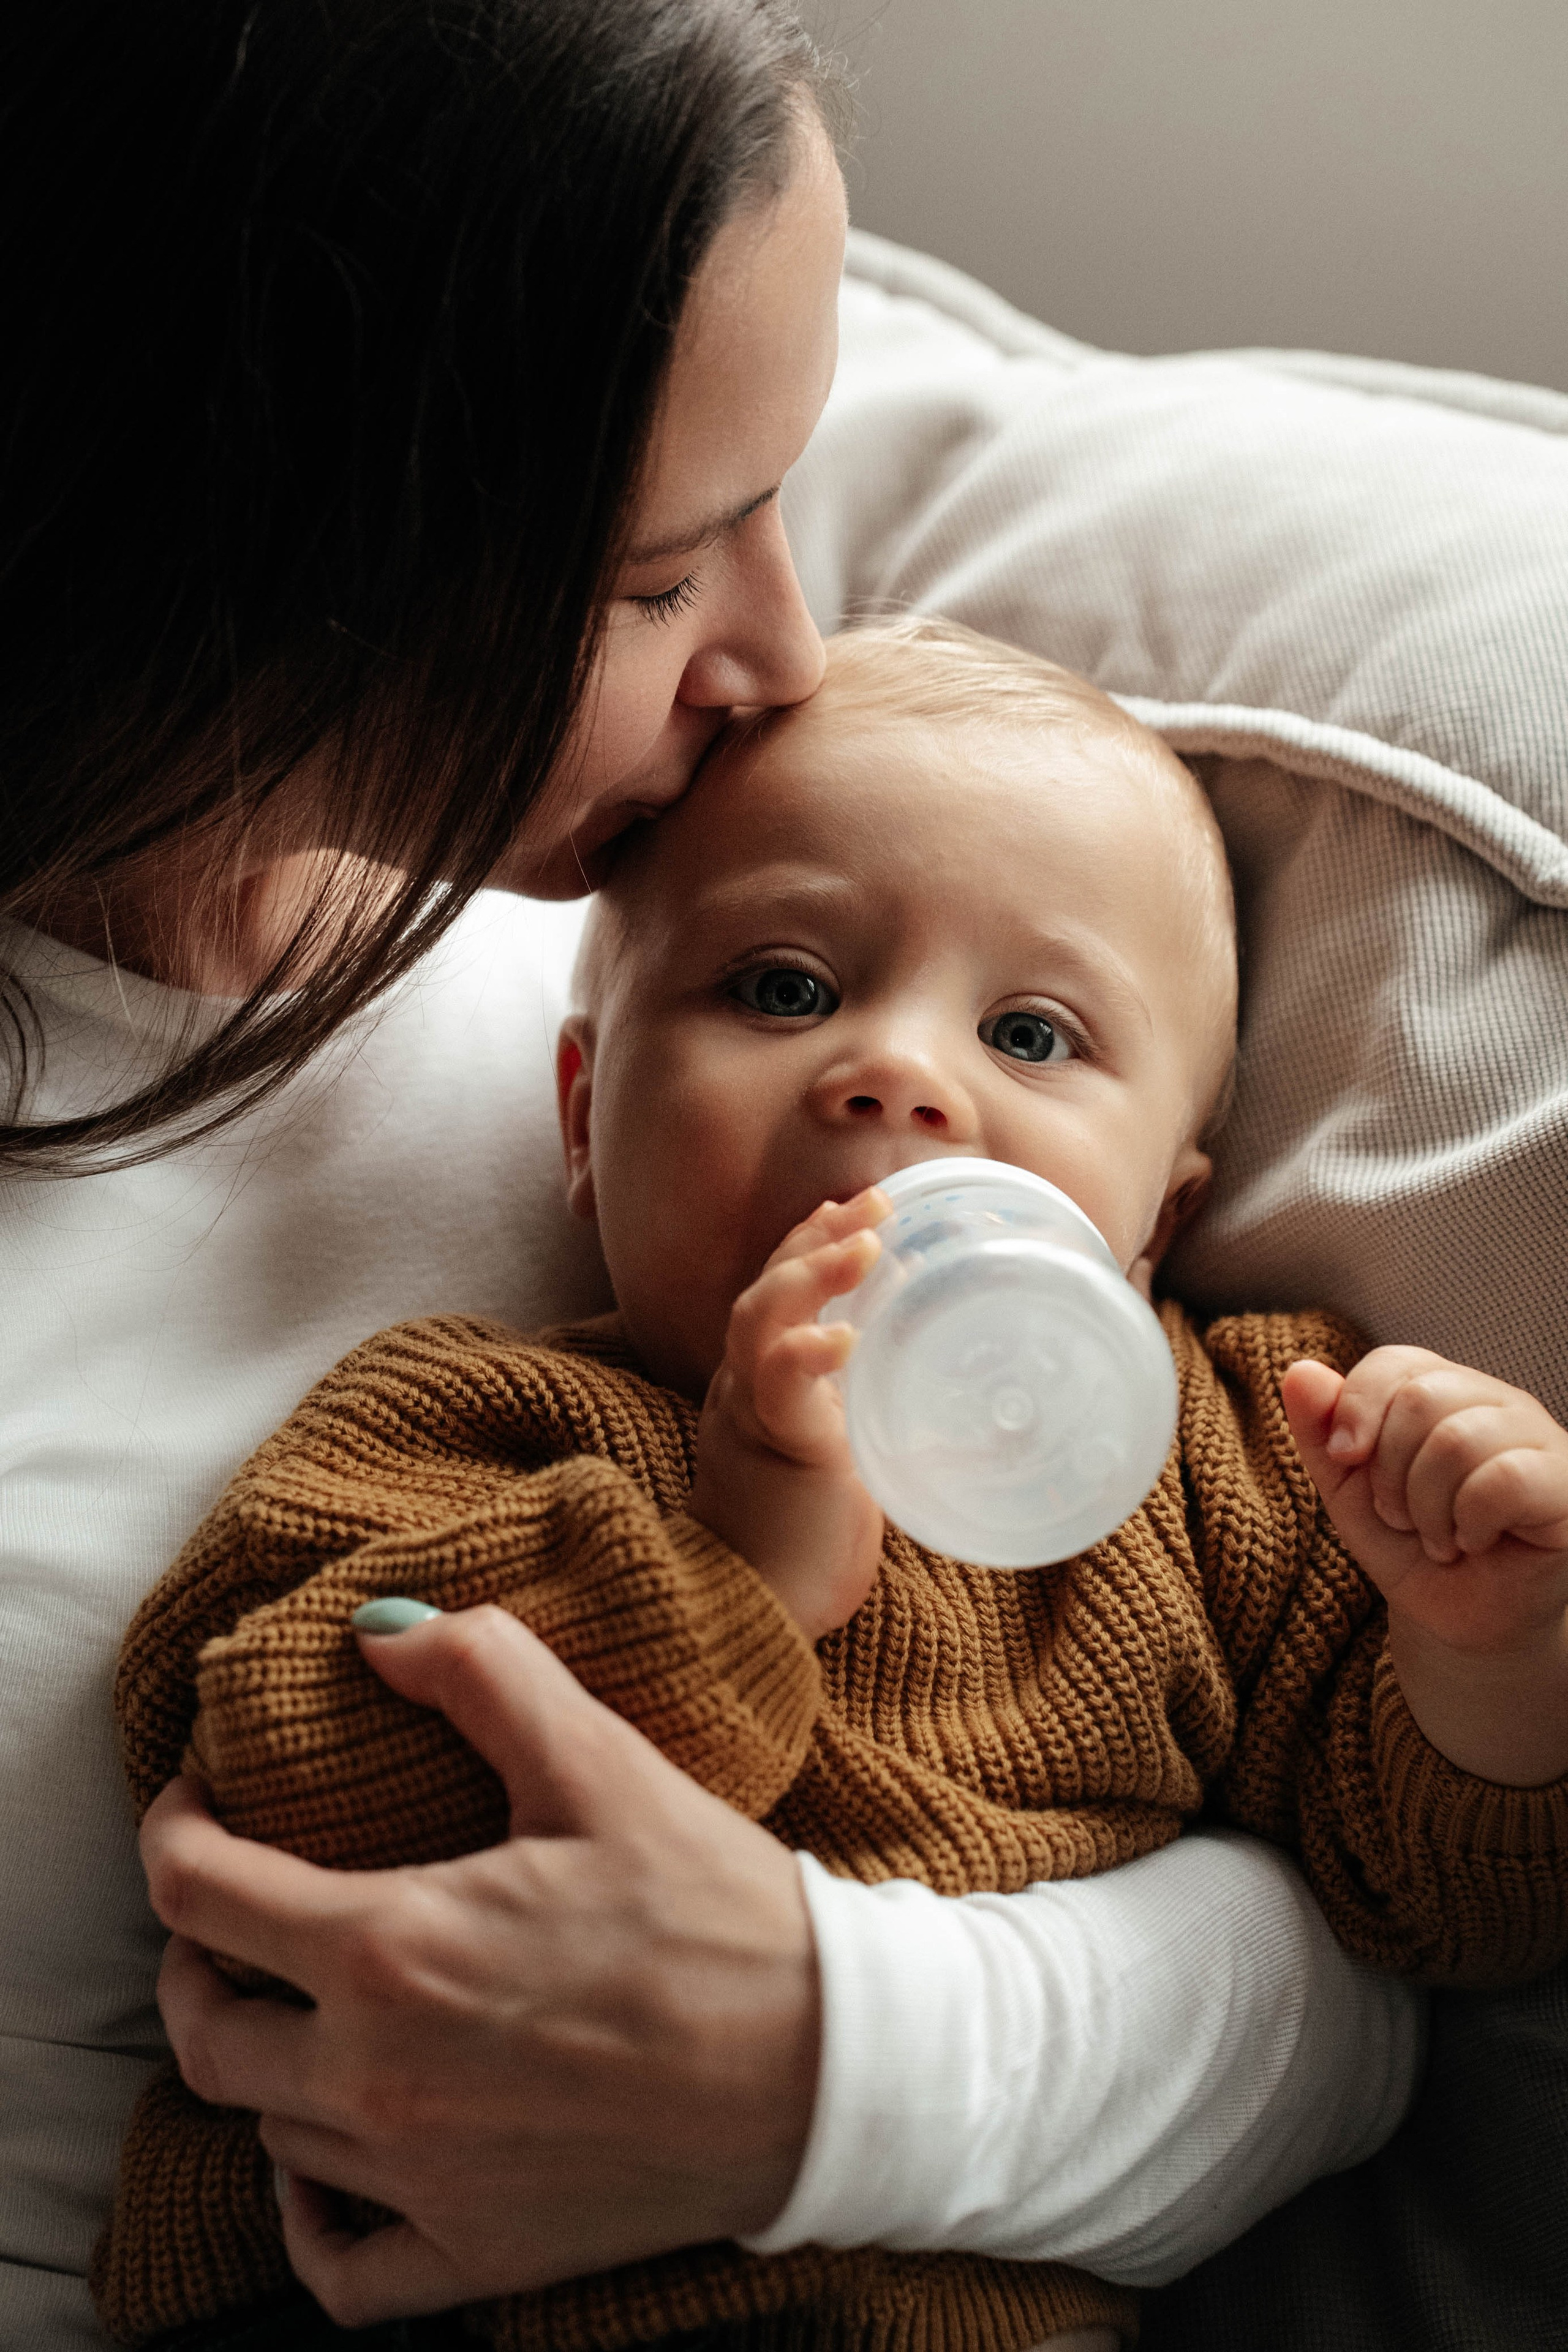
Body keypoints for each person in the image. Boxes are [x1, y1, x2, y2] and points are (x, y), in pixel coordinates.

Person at [0, 7, 1434, 2348]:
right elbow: (288, 1765)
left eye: (786, 501)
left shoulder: (732, 894)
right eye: (661, 573)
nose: (782, 656)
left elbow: (1354, 2005)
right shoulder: (692, 1012)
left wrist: (835, 2075)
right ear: (256, 527)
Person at [96, 622, 1568, 2351]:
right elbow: (282, 1779)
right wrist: (732, 1565)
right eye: (784, 988)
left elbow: (1424, 1906)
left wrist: (1488, 1647)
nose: (899, 1077)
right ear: (586, 1124)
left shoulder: (1226, 1467)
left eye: (1031, 1032)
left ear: (1161, 1219)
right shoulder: (481, 1422)